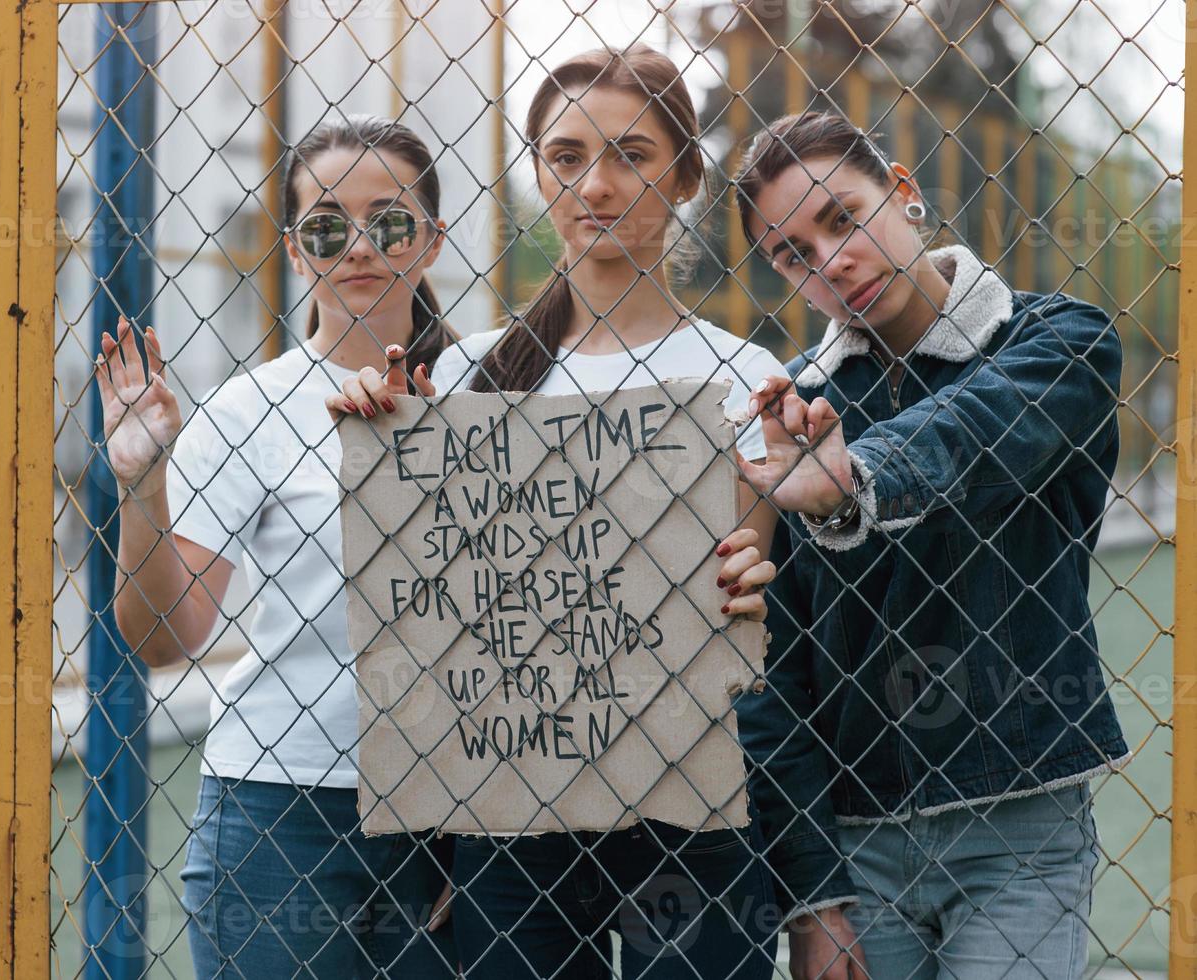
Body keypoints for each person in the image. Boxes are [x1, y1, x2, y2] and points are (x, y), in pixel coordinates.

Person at [327, 45, 784, 979]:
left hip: (684, 805)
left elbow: (746, 605)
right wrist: (381, 443)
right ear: (537, 172)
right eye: (566, 157)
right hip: (511, 810)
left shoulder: (748, 377)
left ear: (687, 175)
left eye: (632, 154)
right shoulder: (466, 374)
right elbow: (436, 603)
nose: (598, 185)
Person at [732, 109, 1129, 979]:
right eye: (794, 254)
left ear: (905, 195)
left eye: (843, 217)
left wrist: (854, 485)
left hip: (1019, 819)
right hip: (856, 840)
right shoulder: (795, 418)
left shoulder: (1058, 341)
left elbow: (981, 434)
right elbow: (769, 669)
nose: (831, 262)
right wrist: (812, 893)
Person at [99, 115, 459, 978]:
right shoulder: (246, 410)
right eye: (329, 226)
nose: (361, 245)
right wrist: (141, 488)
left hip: (468, 799)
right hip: (282, 802)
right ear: (298, 252)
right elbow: (163, 637)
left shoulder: (494, 390)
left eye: (391, 221)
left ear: (434, 240)